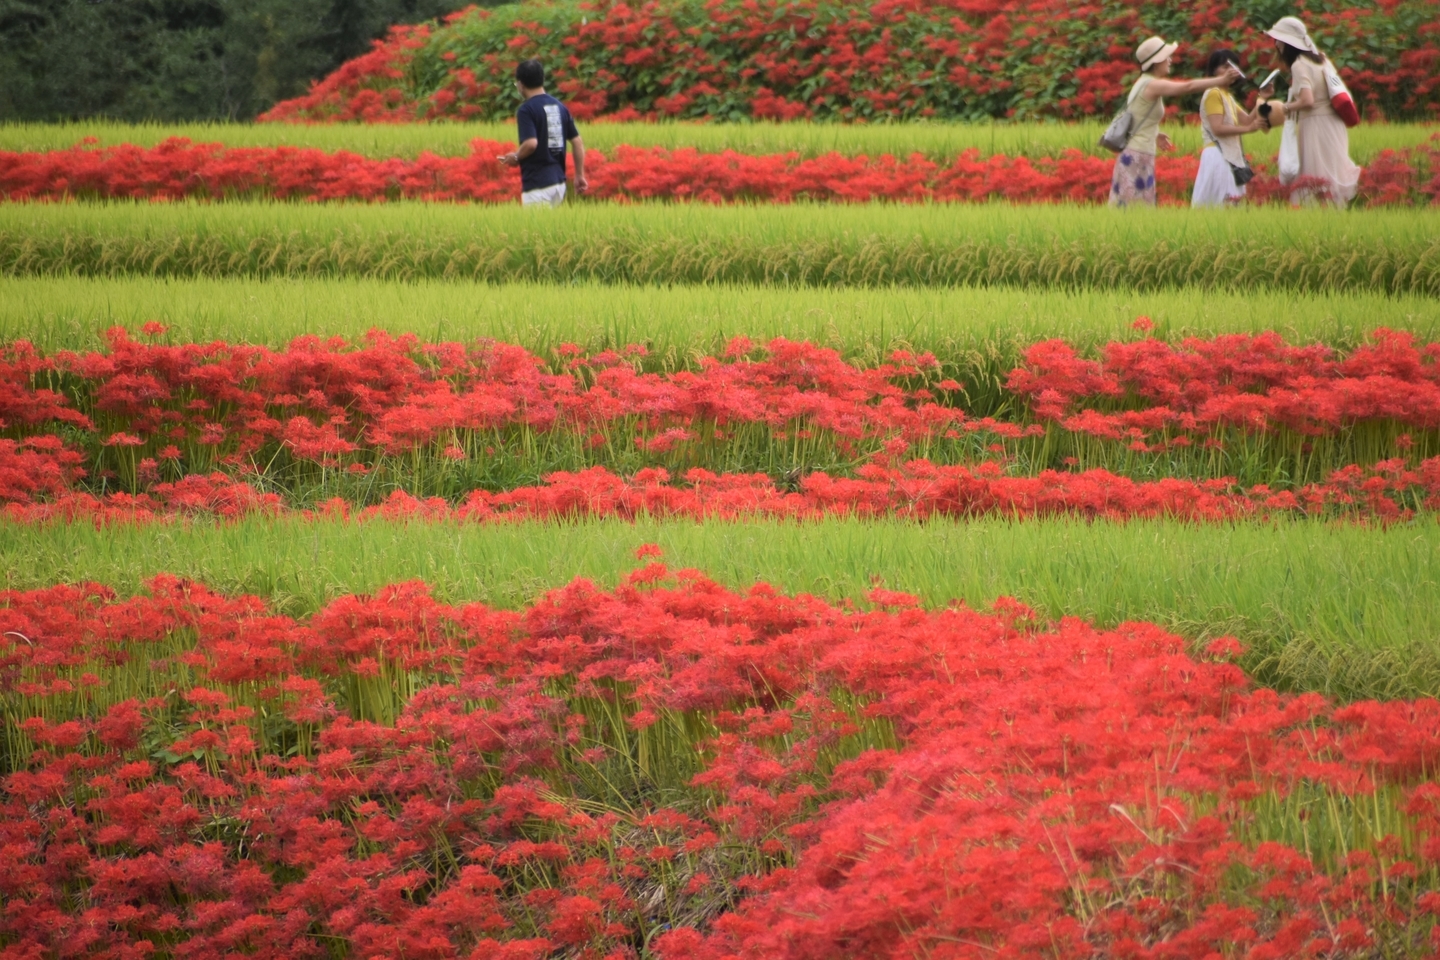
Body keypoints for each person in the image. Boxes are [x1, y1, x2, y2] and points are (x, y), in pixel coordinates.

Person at [1110, 36, 1239, 208]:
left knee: (1136, 209)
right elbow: (1187, 87)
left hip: (1139, 153)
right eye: (1167, 57)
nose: (1170, 60)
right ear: (1156, 62)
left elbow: (1138, 117)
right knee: (1133, 210)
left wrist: (1156, 134)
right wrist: (1220, 81)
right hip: (1137, 156)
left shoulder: (1143, 83)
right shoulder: (1151, 84)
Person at [1257, 16, 1360, 206]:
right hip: (1332, 125)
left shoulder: (1298, 65)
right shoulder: (1320, 58)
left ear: (1288, 43)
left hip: (1316, 126)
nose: (1276, 44)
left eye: (1278, 40)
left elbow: (1307, 100)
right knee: (1329, 179)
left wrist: (1284, 107)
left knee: (1316, 180)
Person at [498, 59, 588, 207]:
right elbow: (577, 142)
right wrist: (579, 175)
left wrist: (515, 156)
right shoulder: (560, 107)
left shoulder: (526, 110)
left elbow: (531, 143)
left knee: (535, 230)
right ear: (542, 79)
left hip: (537, 185)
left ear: (521, 84)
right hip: (559, 184)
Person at [1192, 50, 1266, 207]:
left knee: (1229, 203)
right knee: (1222, 203)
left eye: (1232, 67)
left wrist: (1263, 97)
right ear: (1214, 70)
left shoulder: (1227, 96)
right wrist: (1249, 129)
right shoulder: (1214, 93)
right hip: (1218, 156)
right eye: (1225, 66)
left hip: (1228, 155)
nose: (1230, 71)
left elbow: (1246, 120)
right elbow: (1217, 128)